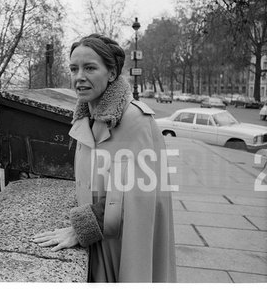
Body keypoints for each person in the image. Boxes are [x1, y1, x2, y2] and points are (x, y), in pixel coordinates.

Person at [32, 34, 177, 282]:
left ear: (111, 73)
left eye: (90, 68)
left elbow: (138, 196)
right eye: (74, 68)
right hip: (102, 244)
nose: (79, 77)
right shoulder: (86, 117)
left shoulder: (135, 120)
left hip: (123, 247)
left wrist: (82, 228)